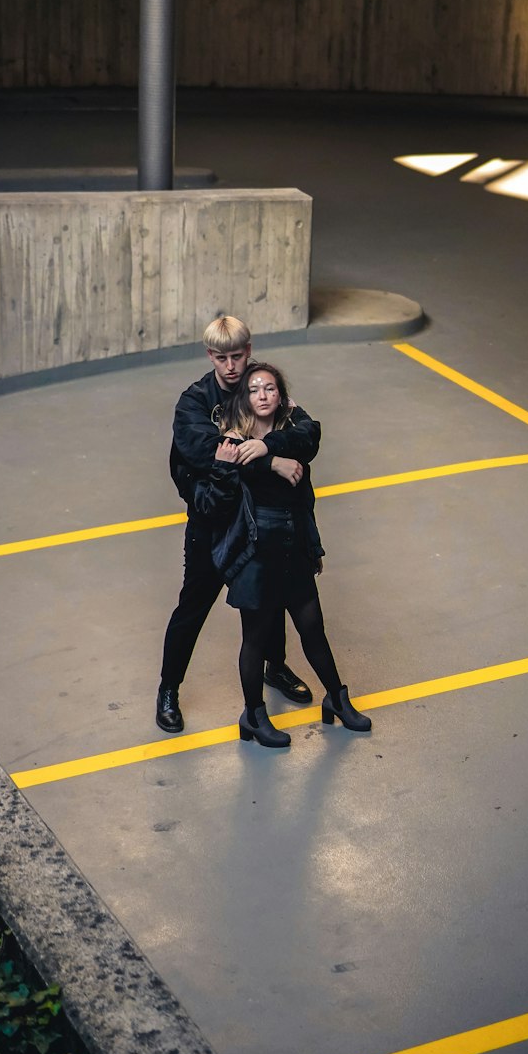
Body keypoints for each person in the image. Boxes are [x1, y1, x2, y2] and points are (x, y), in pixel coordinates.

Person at [156, 316, 322, 734]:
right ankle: (168, 688)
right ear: (209, 355)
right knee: (194, 605)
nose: (231, 366)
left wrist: (269, 444)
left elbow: (306, 431)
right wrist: (272, 461)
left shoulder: (262, 386)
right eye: (221, 358)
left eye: (238, 356)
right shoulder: (193, 402)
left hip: (260, 521)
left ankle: (276, 668)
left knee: (272, 596)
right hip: (214, 520)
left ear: (249, 350)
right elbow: (206, 454)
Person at [194, 360, 371, 748]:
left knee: (313, 627)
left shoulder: (291, 431)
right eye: (255, 389)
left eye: (270, 388)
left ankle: (337, 698)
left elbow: (312, 436)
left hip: (293, 544)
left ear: (281, 395)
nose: (263, 394)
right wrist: (270, 461)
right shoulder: (231, 439)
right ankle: (253, 714)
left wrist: (270, 447)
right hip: (257, 552)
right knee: (255, 638)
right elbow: (233, 475)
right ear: (245, 396)